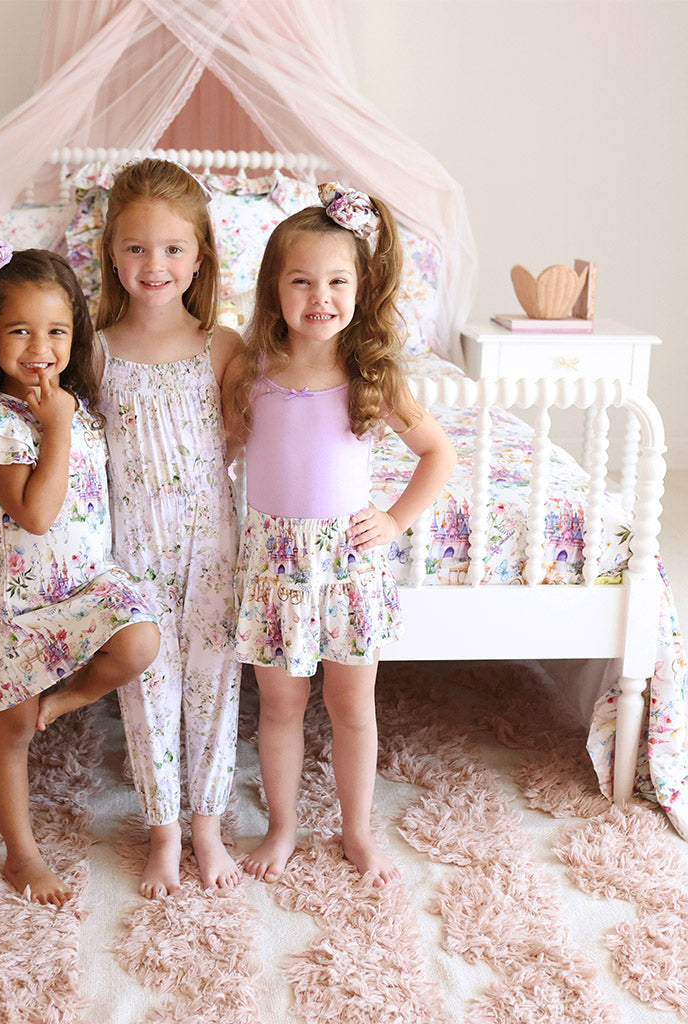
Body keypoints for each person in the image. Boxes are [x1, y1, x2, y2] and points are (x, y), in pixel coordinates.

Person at [222, 184, 457, 887]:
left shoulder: (370, 374)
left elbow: (437, 454)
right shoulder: (252, 372)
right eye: (300, 281)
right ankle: (283, 827)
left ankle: (357, 830)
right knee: (282, 706)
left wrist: (393, 518)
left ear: (360, 288)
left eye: (336, 281)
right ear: (274, 289)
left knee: (352, 707)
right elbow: (226, 452)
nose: (318, 296)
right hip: (274, 566)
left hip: (348, 565)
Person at [0, 242, 160, 907]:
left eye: (56, 330)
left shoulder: (76, 409)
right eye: (19, 330)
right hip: (22, 600)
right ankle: (21, 856)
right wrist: (54, 427)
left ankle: (67, 700)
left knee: (140, 641)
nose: (39, 347)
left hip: (88, 581)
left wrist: (64, 420)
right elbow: (34, 513)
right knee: (15, 729)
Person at [95, 158, 243, 898]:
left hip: (212, 547)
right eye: (136, 248)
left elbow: (258, 436)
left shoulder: (222, 349)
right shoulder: (95, 351)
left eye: (173, 249)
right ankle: (163, 832)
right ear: (112, 253)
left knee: (215, 683)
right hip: (133, 553)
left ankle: (208, 826)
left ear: (200, 256)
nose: (154, 265)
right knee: (149, 687)